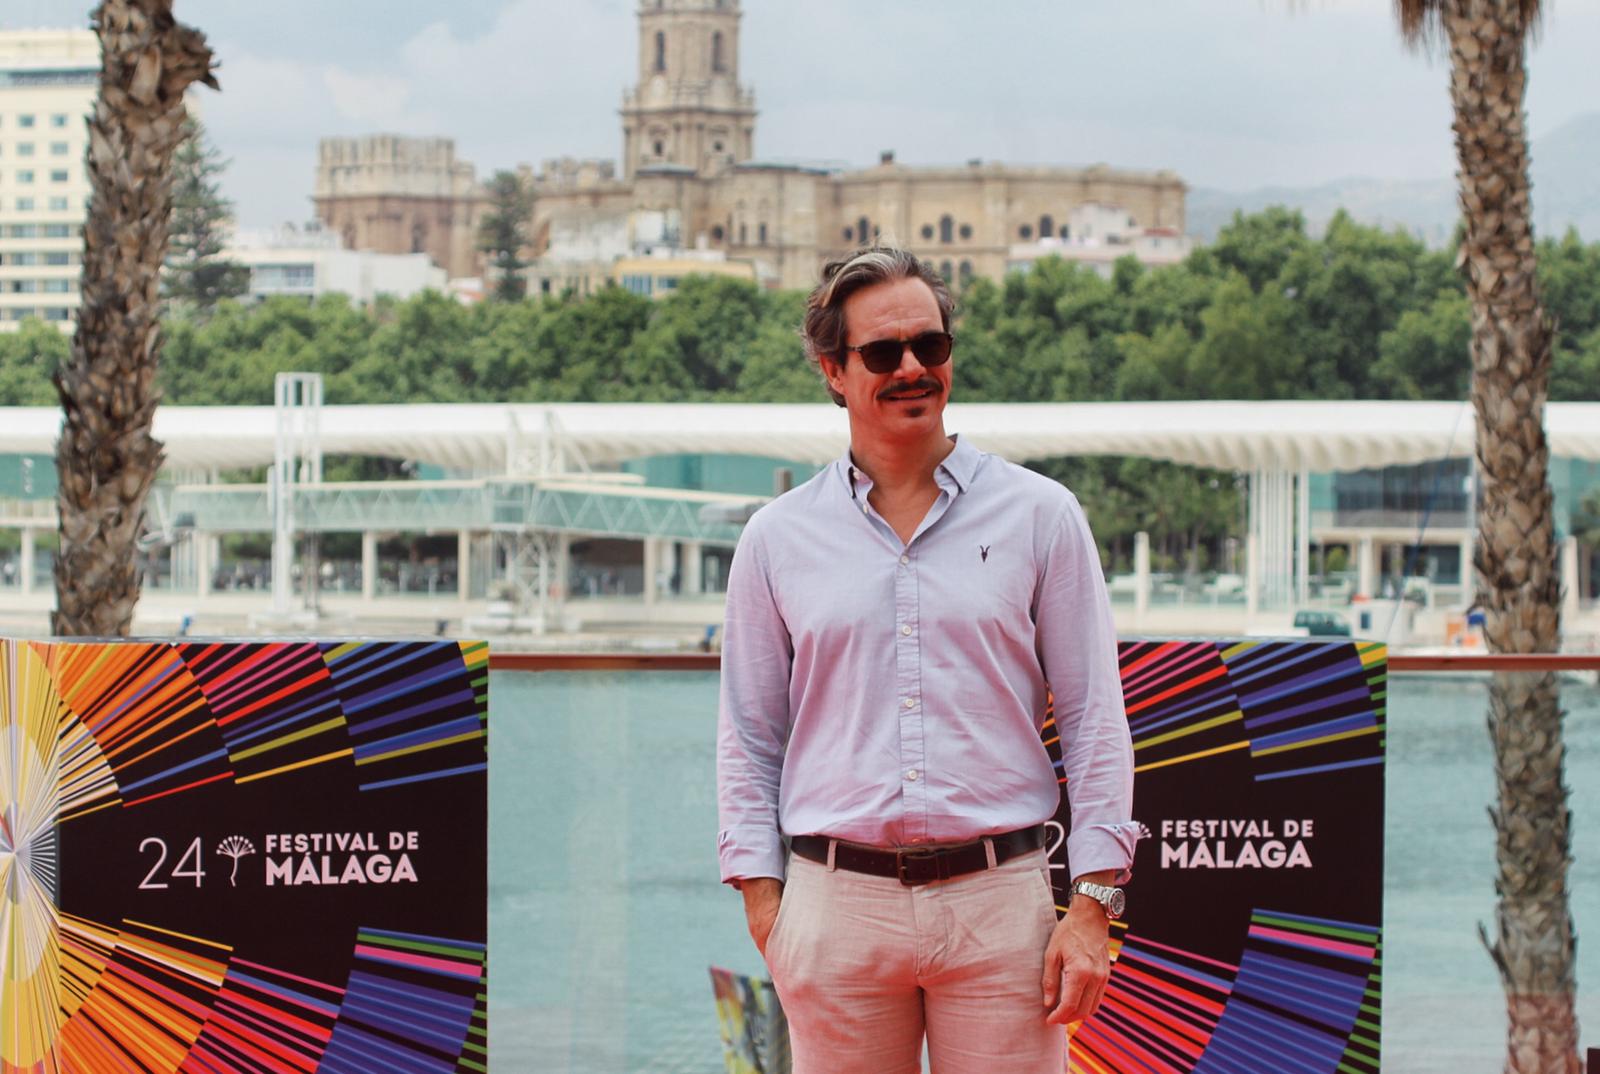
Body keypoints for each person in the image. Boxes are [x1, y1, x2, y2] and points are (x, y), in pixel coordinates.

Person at [716, 246, 1138, 1073]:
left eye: (930, 346)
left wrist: (1093, 905)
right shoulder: (775, 540)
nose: (912, 367)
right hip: (834, 911)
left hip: (1002, 905)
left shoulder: (1042, 517)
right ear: (834, 370)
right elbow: (748, 737)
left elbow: (1094, 720)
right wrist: (769, 908)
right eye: (883, 352)